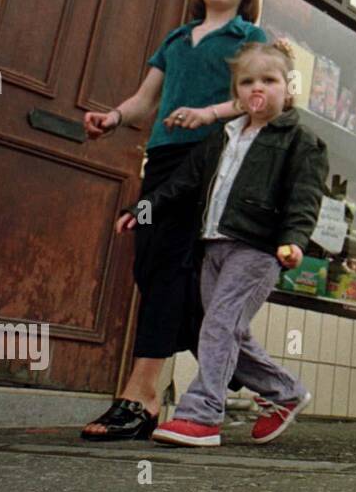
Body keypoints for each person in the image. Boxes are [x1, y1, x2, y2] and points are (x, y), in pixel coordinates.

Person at [81, 0, 267, 441]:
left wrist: (208, 114)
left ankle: (140, 396)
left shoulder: (248, 37)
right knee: (149, 264)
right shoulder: (177, 38)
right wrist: (114, 118)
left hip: (205, 162)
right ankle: (242, 371)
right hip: (161, 162)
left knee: (167, 268)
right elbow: (145, 101)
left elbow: (259, 95)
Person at [117, 41, 328, 447]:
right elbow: (181, 184)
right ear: (236, 93)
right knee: (221, 329)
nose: (257, 88)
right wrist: (141, 211)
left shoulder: (300, 141)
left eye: (269, 79)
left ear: (288, 88)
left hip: (259, 249)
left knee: (219, 324)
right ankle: (285, 392)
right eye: (247, 81)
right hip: (212, 248)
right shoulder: (224, 137)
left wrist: (294, 241)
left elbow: (304, 199)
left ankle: (202, 414)